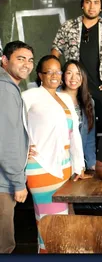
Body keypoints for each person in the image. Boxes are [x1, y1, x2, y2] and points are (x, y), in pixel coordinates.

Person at [22, 55, 86, 253]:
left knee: (63, 220)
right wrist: (23, 149)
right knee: (49, 221)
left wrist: (78, 166)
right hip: (40, 165)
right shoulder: (28, 96)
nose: (55, 75)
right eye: (49, 71)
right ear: (40, 75)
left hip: (65, 166)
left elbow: (74, 134)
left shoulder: (66, 97)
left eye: (58, 71)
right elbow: (11, 124)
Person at [51, 0, 102, 134]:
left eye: (96, 3)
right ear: (82, 4)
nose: (92, 6)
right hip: (75, 86)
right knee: (75, 128)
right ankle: (78, 157)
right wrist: (58, 76)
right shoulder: (68, 27)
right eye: (88, 2)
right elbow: (55, 52)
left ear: (101, 7)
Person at [0, 41, 34, 253]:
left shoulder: (8, 87)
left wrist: (23, 149)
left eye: (30, 60)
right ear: (4, 60)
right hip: (3, 184)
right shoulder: (5, 89)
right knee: (4, 246)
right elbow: (4, 141)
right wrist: (18, 182)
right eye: (20, 59)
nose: (26, 64)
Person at [61, 60, 96, 170]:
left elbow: (90, 136)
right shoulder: (56, 98)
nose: (73, 78)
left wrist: (91, 164)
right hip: (60, 159)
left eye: (78, 74)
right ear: (63, 75)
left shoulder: (88, 101)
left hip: (78, 161)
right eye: (69, 73)